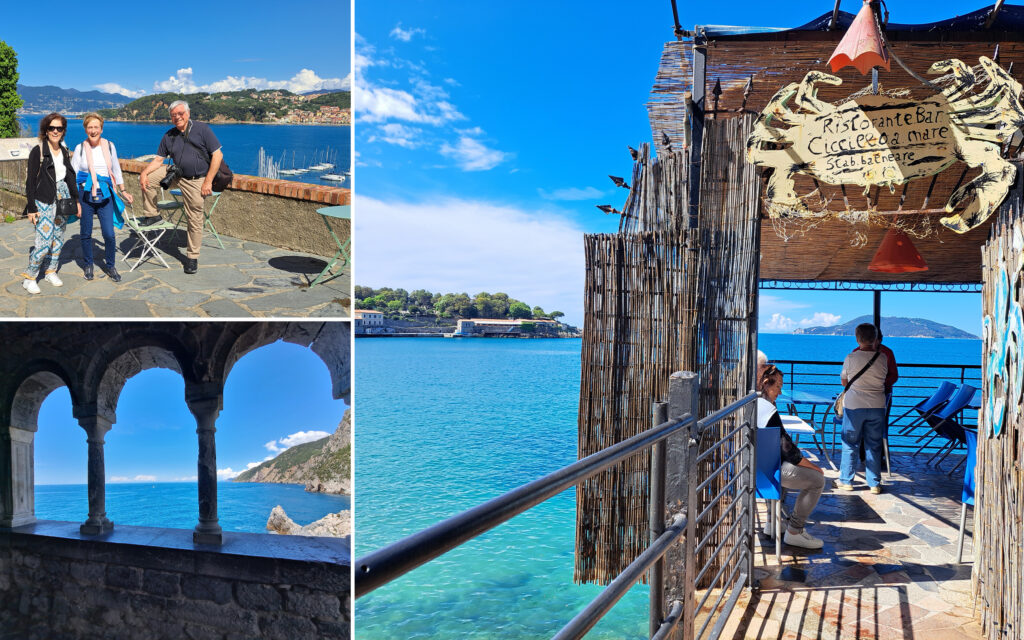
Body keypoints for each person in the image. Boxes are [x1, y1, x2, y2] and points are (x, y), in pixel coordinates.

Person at [138, 100, 223, 274]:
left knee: (194, 218)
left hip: (196, 179)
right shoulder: (169, 135)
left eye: (180, 113)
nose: (177, 117)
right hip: (176, 173)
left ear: (188, 113)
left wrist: (208, 181)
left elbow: (217, 155)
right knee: (148, 181)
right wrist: (144, 173)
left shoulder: (202, 129)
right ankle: (152, 215)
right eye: (174, 115)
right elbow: (158, 160)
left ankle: (192, 257)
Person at [758, 364, 826, 549]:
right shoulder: (768, 410)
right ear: (766, 383)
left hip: (753, 471)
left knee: (786, 466)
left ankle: (773, 522)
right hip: (768, 474)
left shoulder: (752, 404)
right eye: (778, 386)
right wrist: (813, 467)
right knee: (817, 480)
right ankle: (795, 531)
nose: (780, 392)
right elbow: (788, 449)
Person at [22, 113, 81, 295]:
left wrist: (76, 199)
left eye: (59, 128)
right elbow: (30, 181)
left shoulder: (63, 149)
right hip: (44, 200)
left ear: (63, 131)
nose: (55, 131)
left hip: (62, 198)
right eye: (51, 128)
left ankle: (50, 271)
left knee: (58, 238)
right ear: (45, 130)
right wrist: (31, 207)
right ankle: (30, 277)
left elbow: (70, 176)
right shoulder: (38, 151)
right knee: (43, 242)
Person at [71, 113, 132, 282]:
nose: (93, 130)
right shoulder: (80, 148)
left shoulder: (110, 146)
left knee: (109, 234)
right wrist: (75, 199)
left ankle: (111, 265)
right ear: (85, 129)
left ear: (101, 129)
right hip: (85, 194)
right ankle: (88, 264)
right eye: (90, 127)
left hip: (105, 195)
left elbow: (116, 170)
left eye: (96, 127)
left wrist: (123, 190)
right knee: (85, 232)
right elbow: (73, 173)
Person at [838, 323, 888, 493]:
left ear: (857, 338)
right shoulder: (882, 358)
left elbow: (844, 382)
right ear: (875, 339)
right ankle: (874, 483)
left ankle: (847, 481)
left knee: (850, 443)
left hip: (854, 406)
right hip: (877, 405)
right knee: (873, 444)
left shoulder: (851, 358)